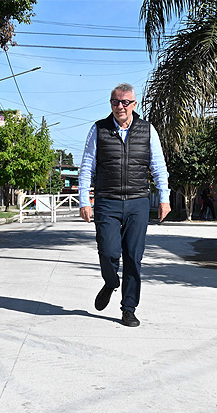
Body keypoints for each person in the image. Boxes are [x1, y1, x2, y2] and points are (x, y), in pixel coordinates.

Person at [78, 83, 171, 327]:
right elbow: (87, 165)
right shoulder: (98, 129)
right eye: (116, 102)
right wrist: (84, 200)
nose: (121, 106)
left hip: (138, 201)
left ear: (134, 104)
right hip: (107, 201)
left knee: (133, 257)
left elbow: (159, 166)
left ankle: (128, 308)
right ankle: (110, 282)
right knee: (108, 252)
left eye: (125, 102)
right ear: (111, 104)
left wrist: (164, 197)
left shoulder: (147, 130)